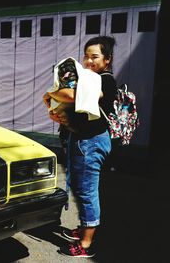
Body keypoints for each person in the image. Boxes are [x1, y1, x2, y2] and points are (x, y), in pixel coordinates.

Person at [43, 36, 117, 258]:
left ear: (107, 60)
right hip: (81, 141)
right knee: (80, 186)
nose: (88, 61)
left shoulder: (104, 80)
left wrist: (51, 93)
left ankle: (86, 244)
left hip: (91, 143)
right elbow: (71, 106)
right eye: (86, 56)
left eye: (95, 56)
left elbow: (70, 94)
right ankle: (86, 228)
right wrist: (61, 117)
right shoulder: (89, 78)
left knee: (87, 192)